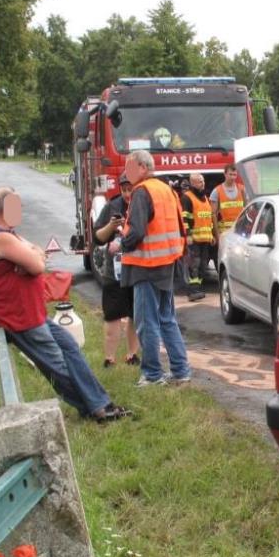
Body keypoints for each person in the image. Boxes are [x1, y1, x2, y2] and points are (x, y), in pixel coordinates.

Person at [0, 187, 131, 423]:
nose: (20, 211)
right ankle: (93, 410)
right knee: (58, 365)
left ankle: (101, 403)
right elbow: (38, 266)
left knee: (71, 350)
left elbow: (38, 253)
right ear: (5, 209)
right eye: (17, 206)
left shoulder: (6, 233)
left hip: (31, 314)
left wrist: (33, 256)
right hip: (17, 318)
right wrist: (32, 259)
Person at [109, 150, 193, 387]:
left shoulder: (141, 191)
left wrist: (119, 243)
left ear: (142, 168)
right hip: (166, 263)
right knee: (167, 319)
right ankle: (180, 370)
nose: (126, 172)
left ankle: (153, 375)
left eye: (130, 168)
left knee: (147, 322)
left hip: (146, 265)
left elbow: (136, 231)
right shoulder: (165, 189)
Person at [93, 172, 140, 368]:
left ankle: (132, 355)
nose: (128, 194)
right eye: (125, 190)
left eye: (131, 190)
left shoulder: (142, 205)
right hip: (114, 272)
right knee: (112, 314)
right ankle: (109, 358)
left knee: (135, 315)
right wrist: (111, 226)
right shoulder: (111, 206)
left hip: (137, 269)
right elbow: (98, 238)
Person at [180, 172, 216, 282]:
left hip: (205, 239)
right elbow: (184, 219)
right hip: (193, 239)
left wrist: (212, 235)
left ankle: (198, 286)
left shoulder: (205, 198)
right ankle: (193, 289)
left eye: (203, 181)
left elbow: (208, 218)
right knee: (195, 264)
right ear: (193, 183)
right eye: (200, 181)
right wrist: (188, 235)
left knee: (203, 265)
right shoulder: (187, 198)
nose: (203, 183)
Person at [210, 163, 245, 239]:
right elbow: (213, 215)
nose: (233, 177)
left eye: (234, 175)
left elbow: (247, 210)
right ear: (225, 174)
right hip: (224, 233)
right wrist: (217, 235)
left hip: (239, 232)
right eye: (230, 174)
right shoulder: (216, 191)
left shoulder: (242, 189)